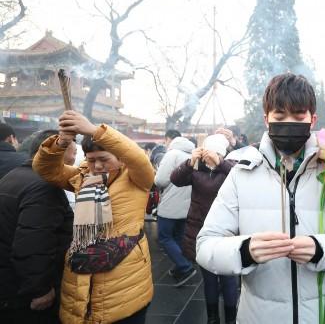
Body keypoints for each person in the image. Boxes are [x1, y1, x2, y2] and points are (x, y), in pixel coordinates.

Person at [195, 73, 325, 324]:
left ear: (312, 119)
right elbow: (205, 245)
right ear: (266, 119)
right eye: (280, 117)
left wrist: (321, 249)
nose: (289, 123)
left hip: (324, 315)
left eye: (298, 116)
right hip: (259, 315)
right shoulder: (241, 173)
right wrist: (245, 251)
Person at [32, 110, 155, 323]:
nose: (96, 166)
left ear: (120, 158)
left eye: (103, 159)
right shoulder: (83, 176)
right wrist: (61, 142)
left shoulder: (136, 177)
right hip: (81, 272)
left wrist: (93, 131)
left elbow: (138, 158)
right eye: (91, 160)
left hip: (124, 276)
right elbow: (45, 170)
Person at [0, 130, 74, 324]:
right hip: (23, 294)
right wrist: (39, 289)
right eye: (73, 152)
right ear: (55, 151)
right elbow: (33, 242)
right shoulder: (43, 187)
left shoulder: (14, 176)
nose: (75, 161)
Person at [171, 134, 237, 324]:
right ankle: (212, 318)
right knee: (208, 278)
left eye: (214, 152)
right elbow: (175, 179)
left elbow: (240, 175)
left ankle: (231, 319)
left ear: (222, 153)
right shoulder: (196, 167)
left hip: (227, 230)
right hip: (199, 229)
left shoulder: (230, 168)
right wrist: (190, 161)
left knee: (227, 278)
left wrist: (220, 162)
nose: (209, 156)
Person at [154, 136, 196, 286]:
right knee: (178, 237)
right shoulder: (192, 155)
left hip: (170, 204)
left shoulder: (172, 154)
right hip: (187, 204)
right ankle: (180, 265)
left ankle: (185, 267)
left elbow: (160, 180)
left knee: (164, 237)